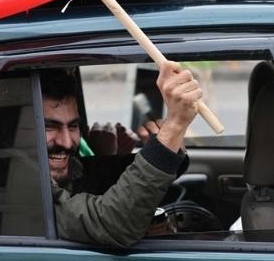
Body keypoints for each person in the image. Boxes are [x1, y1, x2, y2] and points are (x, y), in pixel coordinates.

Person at [42, 60, 201, 247]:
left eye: (73, 126)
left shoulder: (68, 167)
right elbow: (114, 224)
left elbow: (101, 174)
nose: (66, 141)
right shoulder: (25, 187)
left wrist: (165, 144)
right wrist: (175, 125)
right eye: (49, 127)